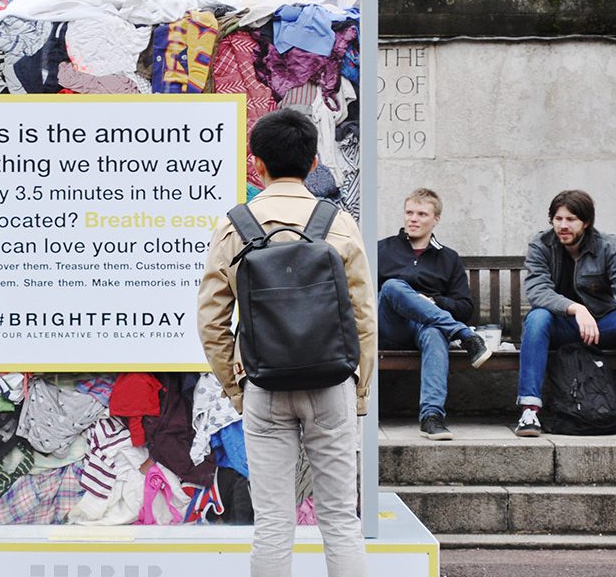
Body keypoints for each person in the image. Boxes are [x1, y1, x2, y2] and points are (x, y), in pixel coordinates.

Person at [197, 109, 374, 577]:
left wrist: (236, 387)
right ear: (314, 162)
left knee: (273, 521)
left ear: (256, 164)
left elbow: (211, 319)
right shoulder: (337, 223)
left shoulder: (236, 225)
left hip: (264, 384)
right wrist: (357, 391)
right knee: (340, 520)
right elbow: (364, 317)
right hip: (331, 382)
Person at [514, 190, 616, 439]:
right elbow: (538, 290)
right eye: (558, 219)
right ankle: (530, 411)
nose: (563, 226)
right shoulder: (541, 245)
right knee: (537, 318)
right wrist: (577, 309)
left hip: (602, 325)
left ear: (586, 222)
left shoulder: (609, 246)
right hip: (563, 326)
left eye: (570, 219)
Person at [377, 188, 490, 441]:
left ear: (436, 219)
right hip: (388, 325)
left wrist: (433, 301)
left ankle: (432, 417)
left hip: (424, 327)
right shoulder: (382, 250)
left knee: (436, 333)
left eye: (421, 214)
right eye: (409, 212)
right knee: (393, 286)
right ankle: (464, 335)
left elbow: (465, 306)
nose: (413, 219)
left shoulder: (448, 258)